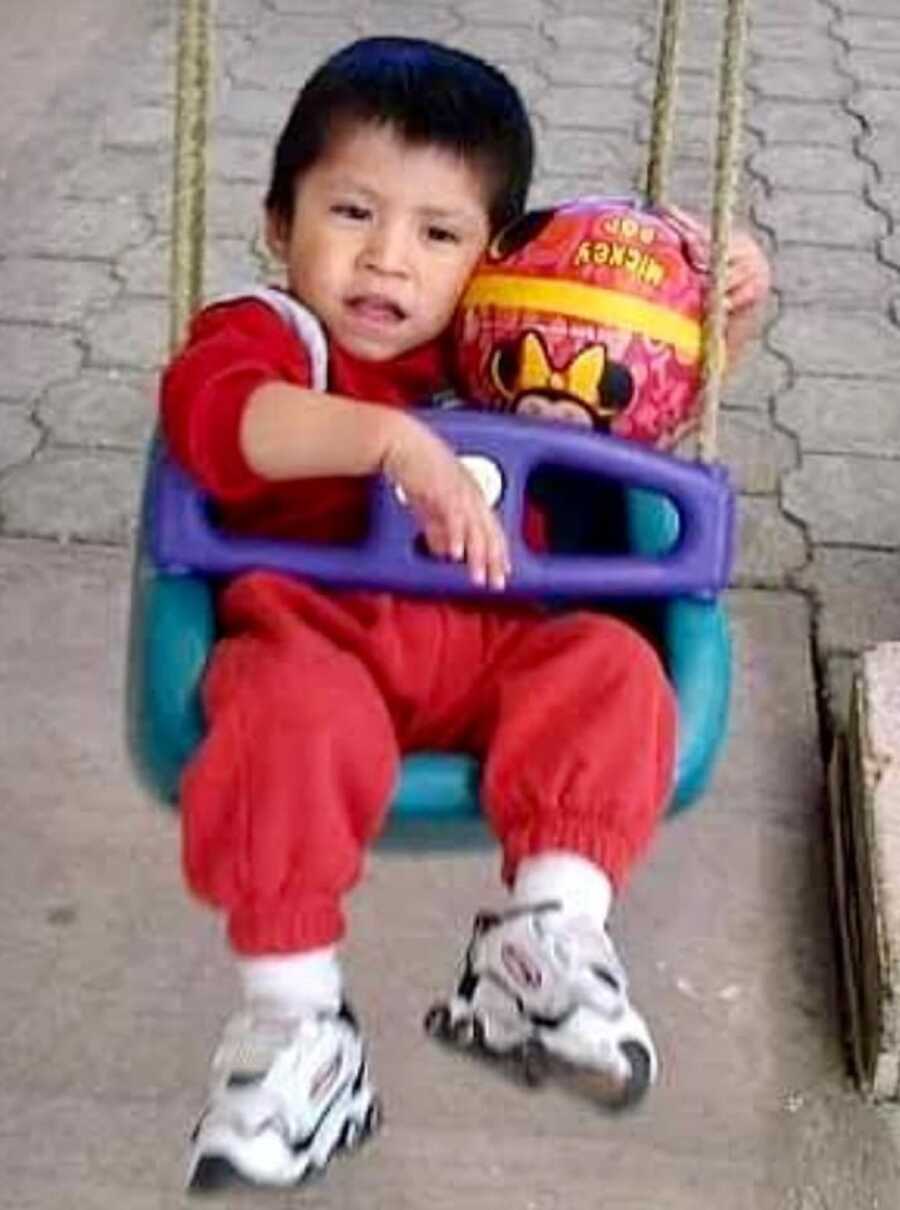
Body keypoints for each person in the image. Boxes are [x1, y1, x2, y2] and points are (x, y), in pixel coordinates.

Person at [159, 36, 771, 1192]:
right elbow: (224, 423)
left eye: (438, 235)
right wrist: (389, 439)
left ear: (490, 260)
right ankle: (297, 1033)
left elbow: (634, 403)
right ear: (278, 223)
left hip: (506, 647)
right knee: (278, 716)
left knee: (612, 669)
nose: (387, 259)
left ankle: (545, 940)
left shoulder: (498, 350)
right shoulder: (266, 337)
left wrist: (721, 315)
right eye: (350, 212)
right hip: (326, 639)